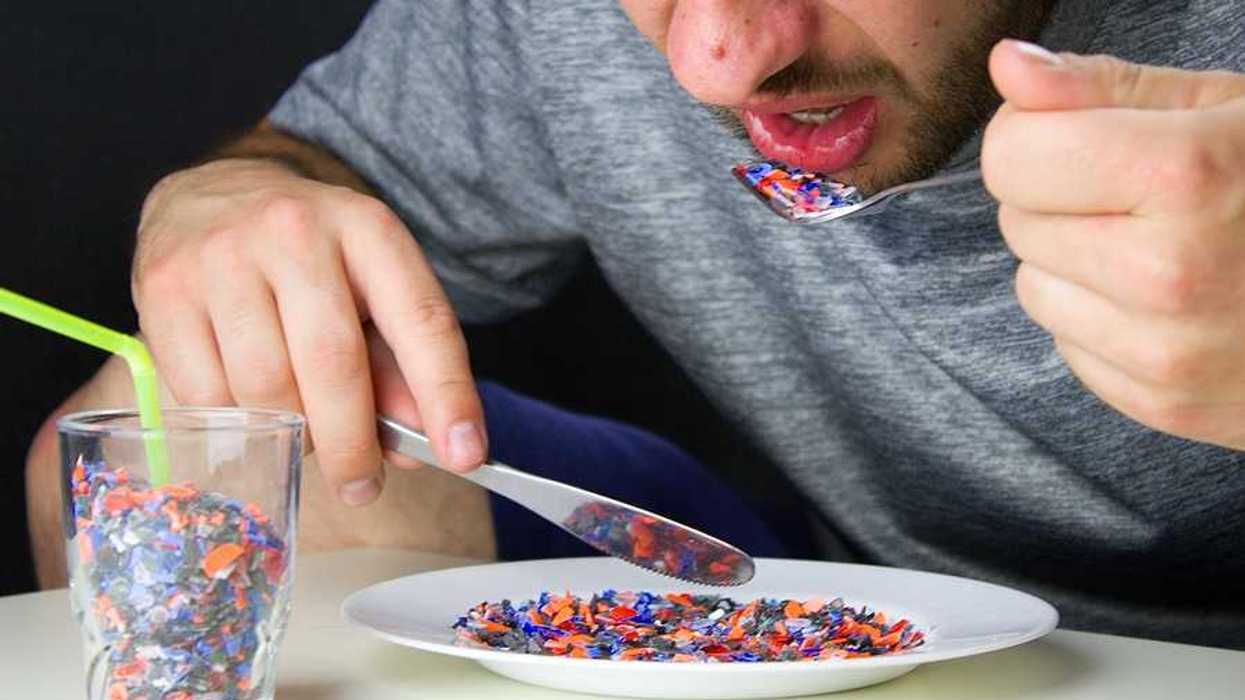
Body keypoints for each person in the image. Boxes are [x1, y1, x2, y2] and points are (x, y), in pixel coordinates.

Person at [25, 0, 1245, 648]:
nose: (716, 61)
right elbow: (321, 167)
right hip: (817, 593)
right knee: (161, 441)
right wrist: (242, 193)